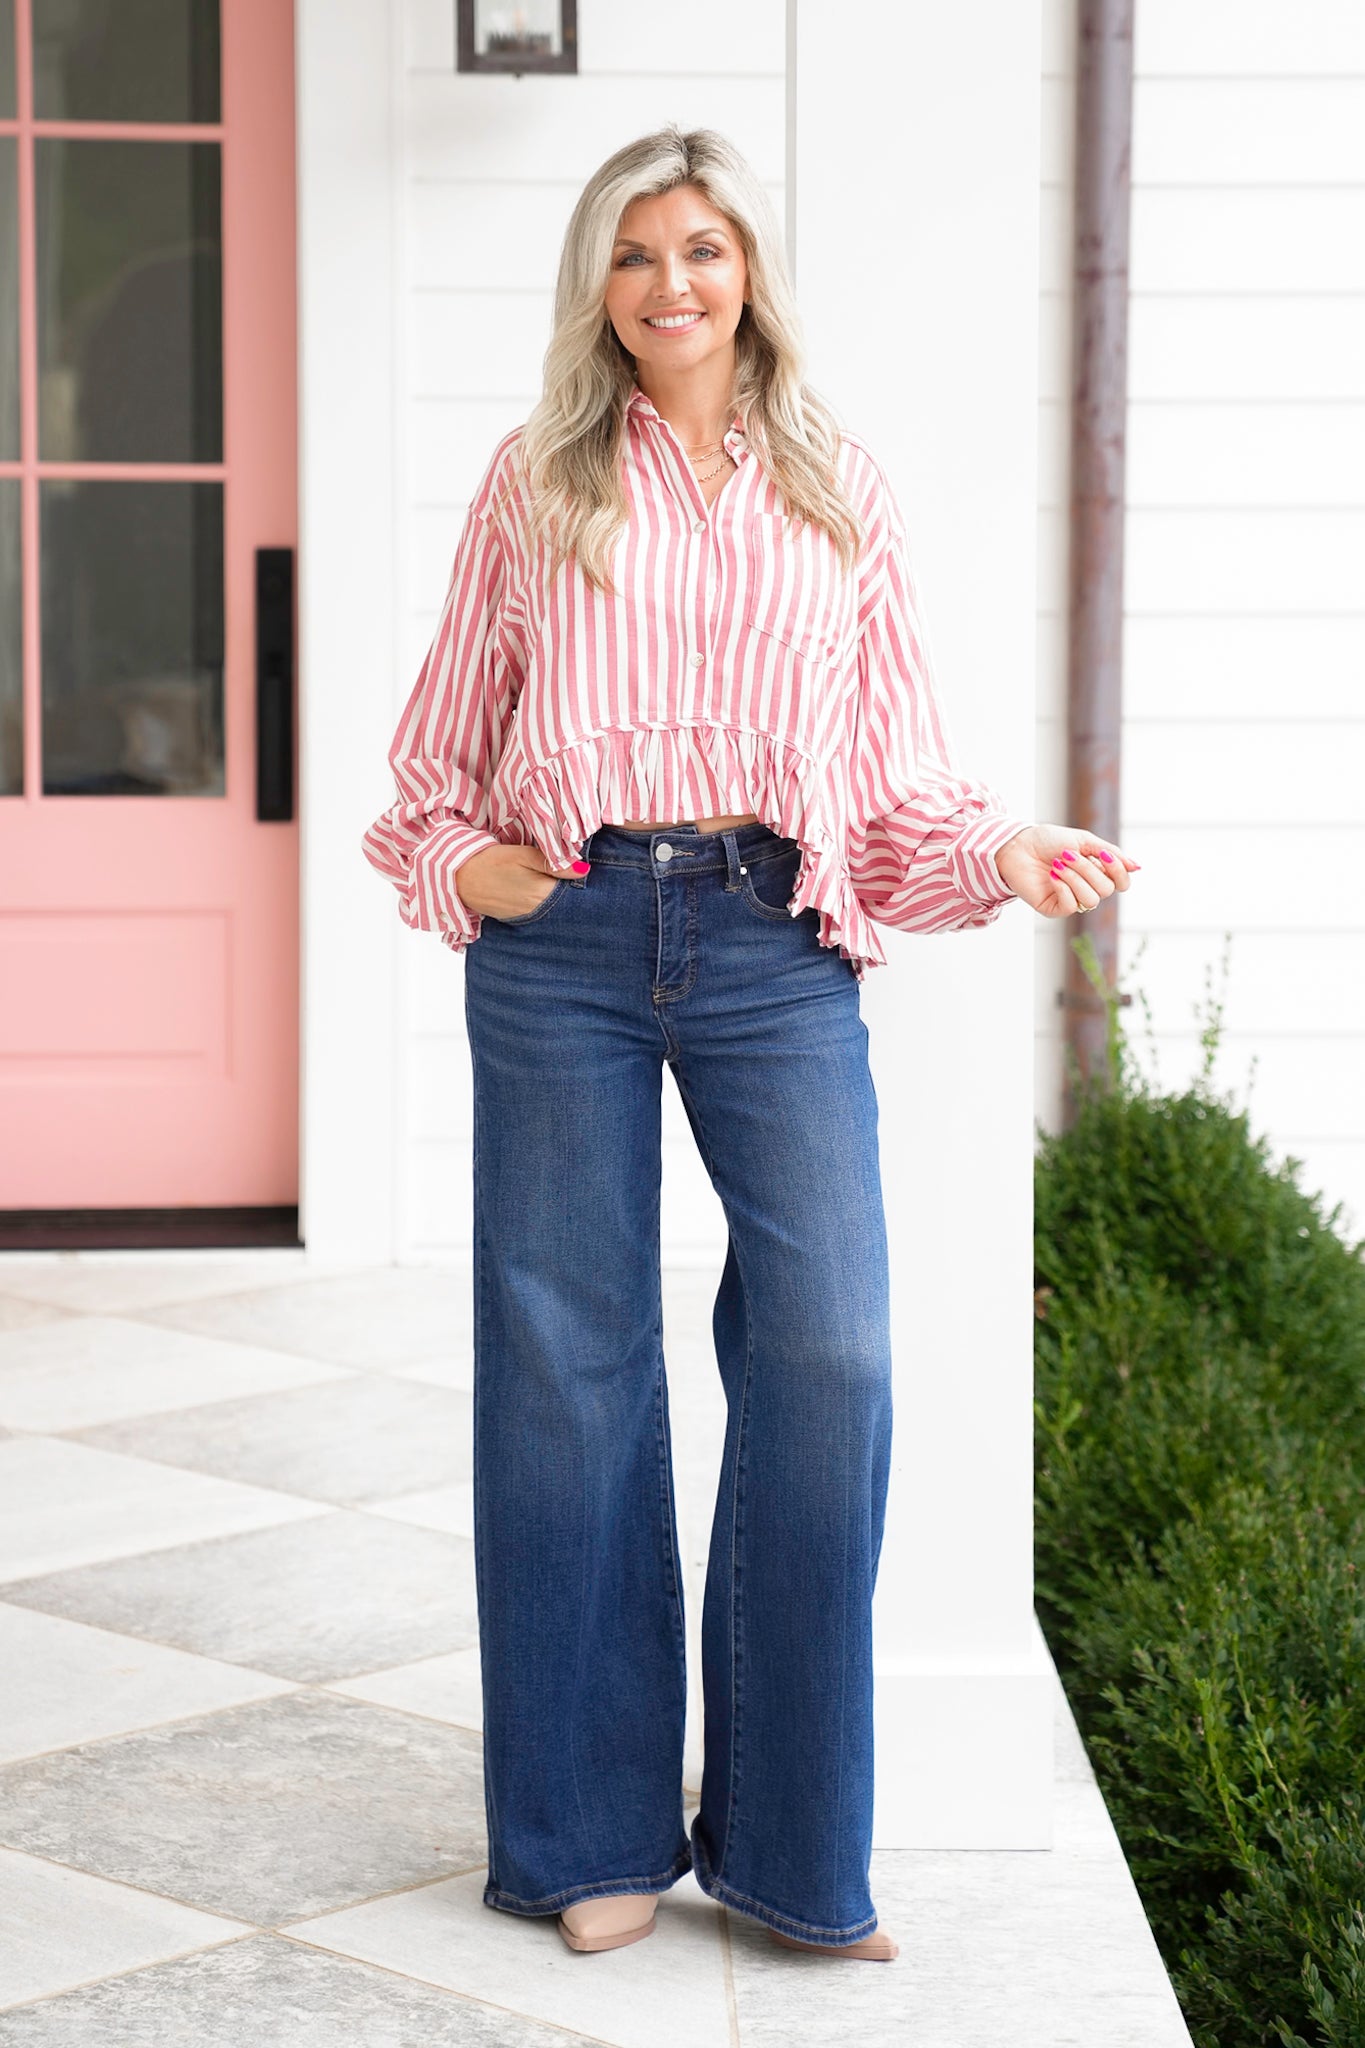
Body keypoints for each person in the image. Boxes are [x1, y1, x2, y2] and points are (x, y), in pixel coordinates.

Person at [362, 124, 1138, 1964]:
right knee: (568, 1367)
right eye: (632, 256)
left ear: (749, 274)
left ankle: (793, 1852)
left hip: (775, 935)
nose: (668, 285)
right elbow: (432, 755)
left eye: (699, 248)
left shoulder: (835, 488)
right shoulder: (533, 481)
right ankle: (586, 1834)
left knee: (831, 1352)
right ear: (598, 288)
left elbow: (890, 780)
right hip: (561, 935)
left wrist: (1002, 852)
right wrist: (475, 867)